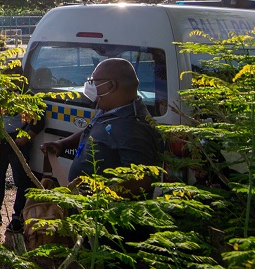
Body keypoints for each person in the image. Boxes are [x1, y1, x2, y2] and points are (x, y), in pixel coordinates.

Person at [40, 57, 163, 189]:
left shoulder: (135, 128)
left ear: (111, 85)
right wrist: (62, 144)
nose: (90, 86)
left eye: (94, 82)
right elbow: (93, 130)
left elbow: (140, 182)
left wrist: (96, 198)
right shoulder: (111, 109)